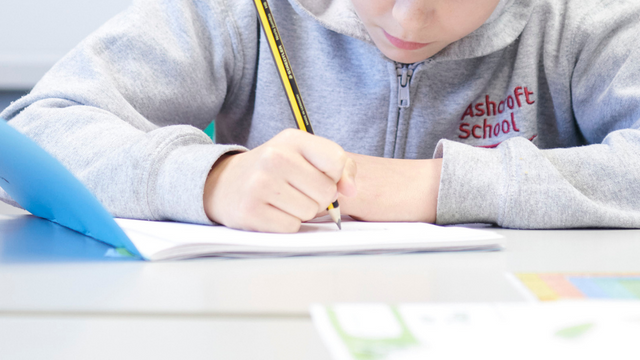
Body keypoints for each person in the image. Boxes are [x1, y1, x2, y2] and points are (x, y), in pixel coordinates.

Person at [2, 0, 640, 233]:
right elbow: (38, 128)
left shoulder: (582, 19)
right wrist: (213, 180)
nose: (410, 18)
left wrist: (431, 187)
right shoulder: (240, 11)